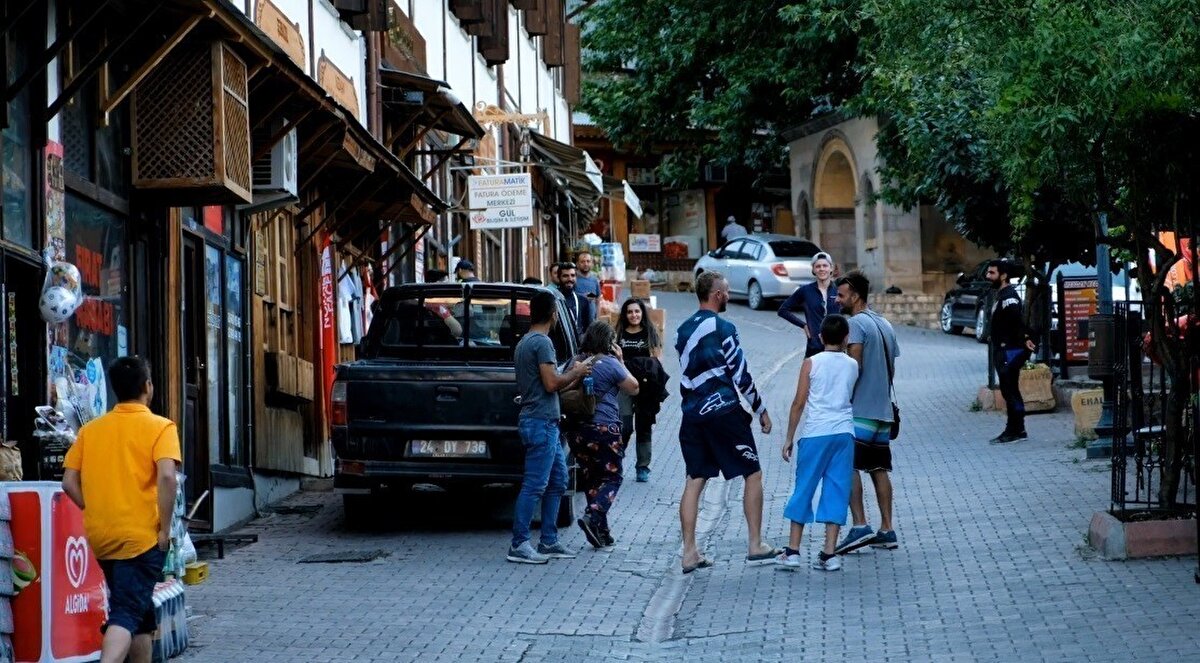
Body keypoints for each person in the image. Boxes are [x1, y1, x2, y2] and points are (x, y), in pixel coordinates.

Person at [61, 356, 181, 663]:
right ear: (147, 387)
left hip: (102, 536)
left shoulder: (92, 431)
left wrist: (93, 506)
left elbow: (68, 482)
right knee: (126, 612)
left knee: (139, 612)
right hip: (140, 539)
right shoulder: (161, 427)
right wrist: (165, 529)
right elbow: (167, 476)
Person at [675, 271, 779, 573]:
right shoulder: (723, 328)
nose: (729, 296)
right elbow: (740, 374)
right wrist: (760, 410)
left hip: (692, 414)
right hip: (723, 412)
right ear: (717, 294)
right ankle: (755, 543)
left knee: (695, 479)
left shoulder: (682, 330)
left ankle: (690, 552)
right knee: (752, 473)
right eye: (727, 292)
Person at [508, 291, 594, 564]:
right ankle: (519, 544)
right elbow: (551, 384)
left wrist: (572, 374)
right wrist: (577, 372)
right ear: (554, 314)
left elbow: (552, 385)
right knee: (535, 484)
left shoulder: (524, 343)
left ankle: (549, 540)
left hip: (544, 421)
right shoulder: (542, 343)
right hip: (541, 423)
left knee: (558, 481)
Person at [777, 315, 859, 572]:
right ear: (846, 338)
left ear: (821, 337)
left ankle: (792, 551)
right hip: (844, 433)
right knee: (837, 488)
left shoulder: (810, 363)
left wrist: (789, 437)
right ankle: (829, 553)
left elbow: (799, 403)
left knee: (804, 487)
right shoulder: (853, 365)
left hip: (815, 433)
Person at [833, 270, 902, 555]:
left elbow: (854, 365)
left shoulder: (857, 324)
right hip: (883, 411)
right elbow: (892, 369)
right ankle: (887, 529)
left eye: (841, 295)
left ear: (855, 296)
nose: (837, 300)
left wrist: (840, 396)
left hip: (860, 409)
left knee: (848, 465)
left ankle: (860, 524)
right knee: (879, 469)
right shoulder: (885, 323)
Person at [569, 321, 640, 549]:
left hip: (579, 430)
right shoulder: (610, 363)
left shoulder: (576, 362)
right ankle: (593, 514)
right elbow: (634, 387)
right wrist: (621, 361)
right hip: (604, 428)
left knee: (592, 479)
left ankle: (601, 531)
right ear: (608, 342)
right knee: (612, 477)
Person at [986, 259, 1037, 443]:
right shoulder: (1001, 295)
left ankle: (1014, 429)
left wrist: (1025, 339)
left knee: (1010, 390)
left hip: (1010, 350)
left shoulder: (1009, 297)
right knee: (1009, 390)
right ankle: (1017, 429)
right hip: (1003, 349)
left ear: (1003, 275)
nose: (988, 277)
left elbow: (1018, 322)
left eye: (992, 273)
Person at [616, 298, 666, 483]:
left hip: (646, 387)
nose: (634, 315)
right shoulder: (619, 334)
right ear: (625, 314)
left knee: (644, 426)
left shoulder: (650, 333)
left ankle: (642, 466)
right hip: (624, 386)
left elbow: (657, 360)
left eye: (637, 311)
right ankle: (616, 461)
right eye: (630, 312)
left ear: (642, 313)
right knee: (625, 425)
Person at [778, 252, 841, 357]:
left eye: (825, 266)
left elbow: (851, 309)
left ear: (831, 268)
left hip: (836, 346)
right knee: (809, 373)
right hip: (814, 347)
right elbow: (783, 310)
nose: (821, 269)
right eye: (818, 266)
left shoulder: (838, 290)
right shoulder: (806, 290)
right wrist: (804, 325)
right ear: (813, 270)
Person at [556, 262, 593, 339]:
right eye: (565, 276)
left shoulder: (583, 301)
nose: (570, 279)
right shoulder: (553, 299)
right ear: (559, 278)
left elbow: (588, 328)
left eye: (572, 275)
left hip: (578, 345)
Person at [574, 250, 602, 315]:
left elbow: (597, 299)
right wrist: (583, 296)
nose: (585, 264)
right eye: (582, 262)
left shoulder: (595, 279)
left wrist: (597, 316)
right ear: (577, 264)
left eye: (588, 261)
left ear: (592, 263)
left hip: (591, 318)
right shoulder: (573, 278)